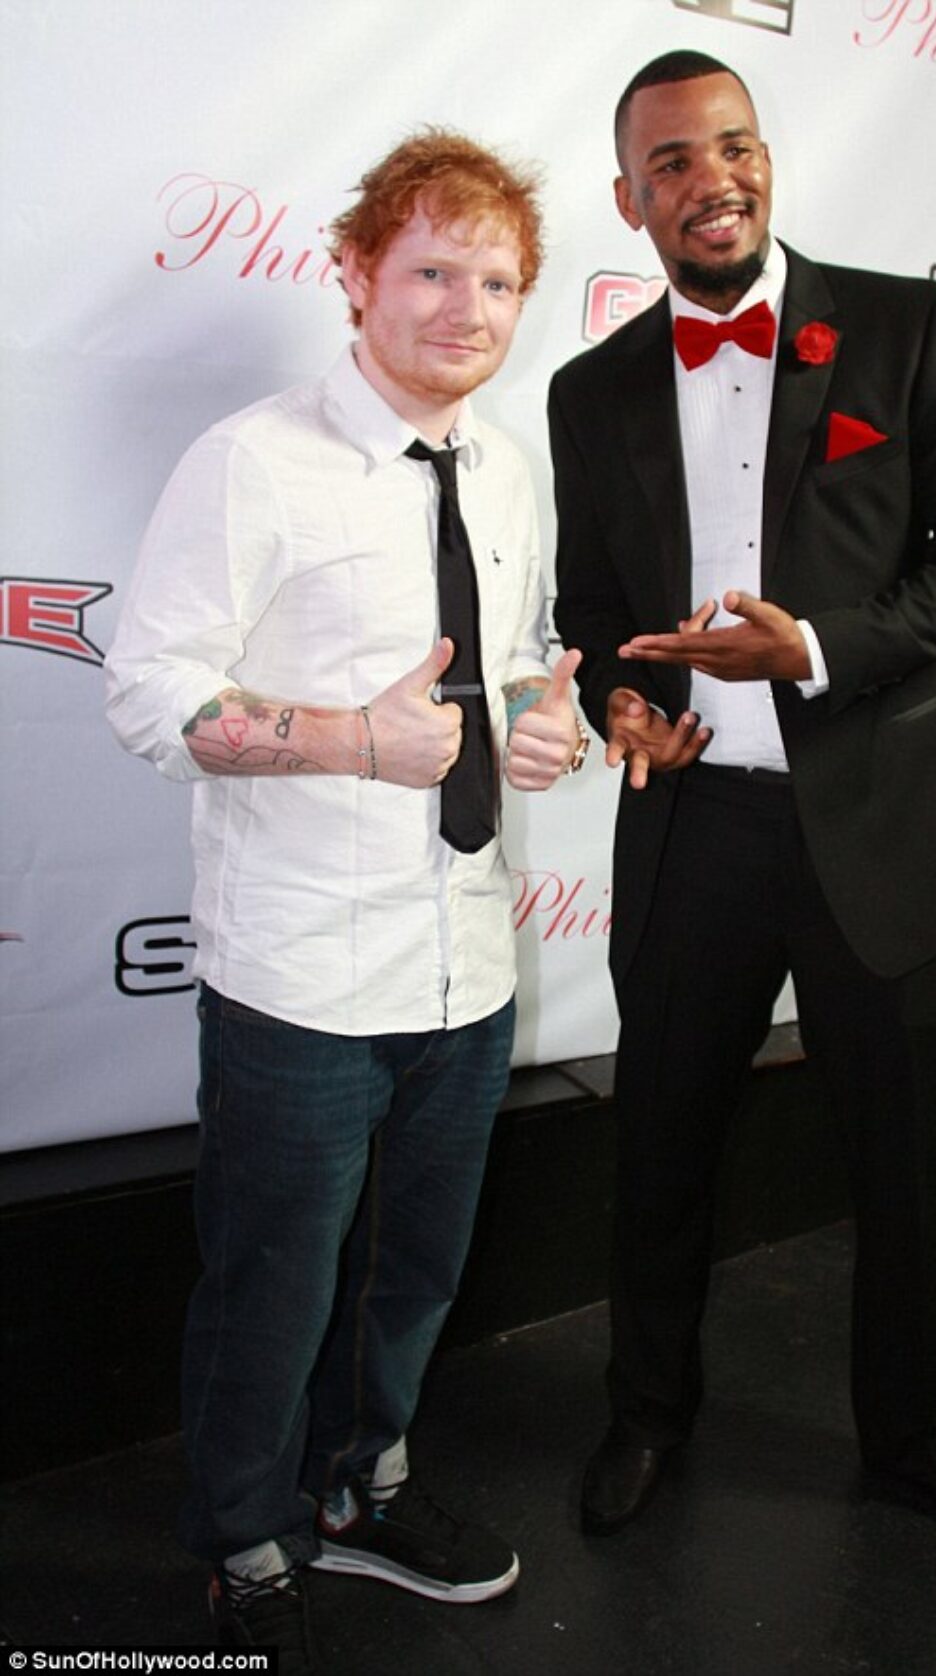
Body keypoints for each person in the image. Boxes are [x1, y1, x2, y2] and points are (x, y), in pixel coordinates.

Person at [550, 51, 936, 1558]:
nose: (713, 181)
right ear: (630, 200)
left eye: (736, 146)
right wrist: (620, 699)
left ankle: (919, 1442)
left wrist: (818, 650)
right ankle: (648, 1413)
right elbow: (592, 610)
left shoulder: (913, 332)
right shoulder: (591, 391)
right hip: (693, 830)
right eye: (673, 163)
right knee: (662, 1148)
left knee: (911, 1168)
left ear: (765, 159)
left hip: (881, 824)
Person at [106, 128, 587, 1672]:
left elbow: (515, 657)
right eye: (433, 270)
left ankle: (362, 1485)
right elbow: (146, 692)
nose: (467, 309)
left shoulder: (505, 467)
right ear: (357, 275)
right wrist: (343, 740)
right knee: (272, 1286)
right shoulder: (252, 460)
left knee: (415, 1273)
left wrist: (547, 718)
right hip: (301, 975)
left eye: (497, 282)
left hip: (467, 959)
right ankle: (245, 1538)